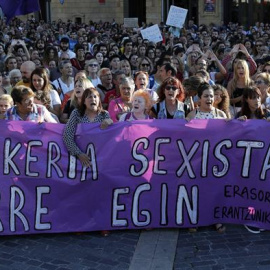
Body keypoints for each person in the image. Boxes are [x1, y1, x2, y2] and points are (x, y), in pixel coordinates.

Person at [63, 87, 113, 167]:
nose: (93, 99)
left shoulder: (105, 115)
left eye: (95, 97)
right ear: (84, 101)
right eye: (89, 97)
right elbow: (67, 136)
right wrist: (79, 154)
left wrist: (111, 122)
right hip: (80, 160)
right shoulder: (76, 113)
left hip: (100, 159)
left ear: (99, 100)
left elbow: (111, 138)